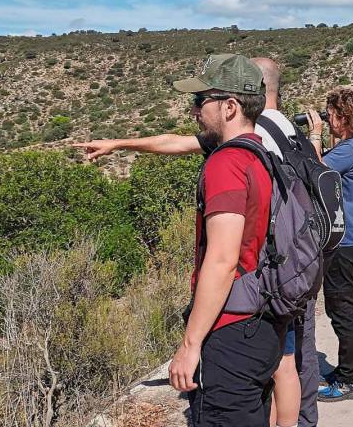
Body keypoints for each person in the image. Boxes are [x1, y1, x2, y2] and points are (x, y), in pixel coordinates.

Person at [74, 56, 307, 427]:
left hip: (232, 330)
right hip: (264, 324)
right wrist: (119, 143)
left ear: (230, 106)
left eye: (200, 101)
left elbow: (222, 259)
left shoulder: (226, 164)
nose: (194, 110)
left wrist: (190, 344)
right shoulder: (260, 155)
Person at [304, 89, 353, 403]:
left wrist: (315, 135)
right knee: (342, 308)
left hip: (343, 242)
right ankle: (347, 370)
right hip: (350, 238)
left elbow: (315, 170)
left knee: (343, 311)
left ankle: (352, 379)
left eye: (330, 114)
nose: (326, 118)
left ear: (344, 117)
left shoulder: (351, 149)